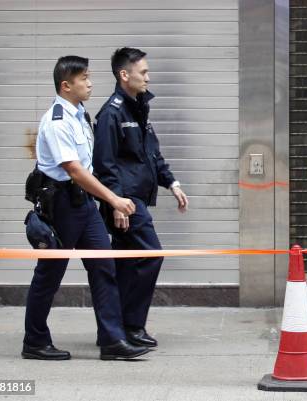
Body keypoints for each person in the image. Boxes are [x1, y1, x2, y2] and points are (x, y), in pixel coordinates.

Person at [23, 55, 150, 361]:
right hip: (62, 205)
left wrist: (104, 201)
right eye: (84, 79)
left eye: (89, 77)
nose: (90, 83)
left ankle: (113, 341)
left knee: (103, 266)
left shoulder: (80, 115)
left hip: (84, 204)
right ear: (66, 86)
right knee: (50, 274)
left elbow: (89, 169)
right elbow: (75, 170)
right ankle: (35, 342)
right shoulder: (56, 121)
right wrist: (114, 200)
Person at [93, 48, 188, 348]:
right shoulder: (111, 113)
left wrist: (171, 183)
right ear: (125, 75)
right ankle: (131, 325)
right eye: (143, 72)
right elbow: (104, 164)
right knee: (151, 254)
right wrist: (115, 203)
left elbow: (151, 154)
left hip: (135, 200)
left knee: (125, 264)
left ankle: (116, 329)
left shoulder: (138, 108)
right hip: (126, 202)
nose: (148, 77)